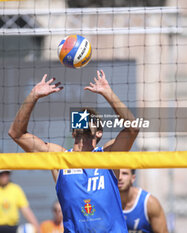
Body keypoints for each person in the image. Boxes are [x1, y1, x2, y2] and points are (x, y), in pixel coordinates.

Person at [8, 70, 139, 232]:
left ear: (99, 133)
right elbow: (17, 134)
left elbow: (133, 128)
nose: (83, 119)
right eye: (80, 119)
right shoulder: (60, 158)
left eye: (88, 119)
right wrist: (33, 96)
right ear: (73, 132)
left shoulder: (108, 156)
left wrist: (108, 93)